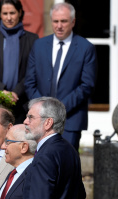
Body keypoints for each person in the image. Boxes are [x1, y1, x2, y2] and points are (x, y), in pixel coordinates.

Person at [24, 2, 97, 150]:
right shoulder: (39, 45)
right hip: (40, 119)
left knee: (66, 167)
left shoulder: (85, 48)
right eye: (55, 21)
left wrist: (59, 109)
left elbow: (86, 85)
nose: (59, 26)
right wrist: (42, 110)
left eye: (63, 21)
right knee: (41, 165)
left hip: (71, 119)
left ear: (73, 22)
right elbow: (30, 82)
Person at [0, 0, 38, 124]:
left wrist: (16, 92)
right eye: (4, 13)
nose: (9, 18)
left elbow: (32, 72)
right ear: (0, 15)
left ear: (20, 13)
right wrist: (2, 91)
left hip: (22, 103)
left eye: (12, 13)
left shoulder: (32, 39)